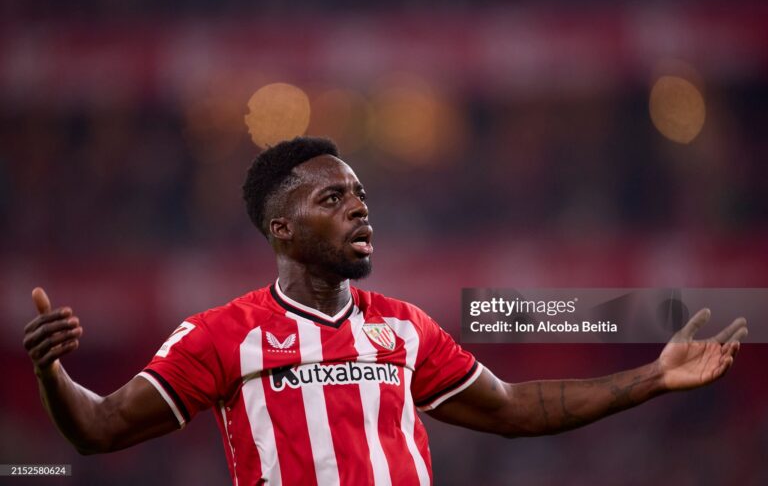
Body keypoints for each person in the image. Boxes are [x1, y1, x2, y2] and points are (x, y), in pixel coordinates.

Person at [23, 136, 748, 486]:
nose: (359, 207)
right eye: (332, 199)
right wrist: (53, 371)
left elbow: (515, 408)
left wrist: (653, 376)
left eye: (362, 194)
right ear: (282, 228)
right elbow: (95, 430)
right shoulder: (223, 334)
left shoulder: (402, 328)